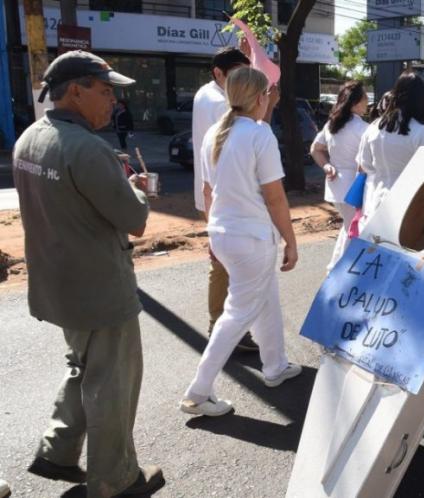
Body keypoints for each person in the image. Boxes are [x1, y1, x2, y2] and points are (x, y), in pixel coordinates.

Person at [13, 50, 163, 496]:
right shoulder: (88, 148)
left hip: (57, 285)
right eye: (105, 91)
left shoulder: (29, 140)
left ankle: (57, 451)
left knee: (83, 369)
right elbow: (133, 219)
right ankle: (114, 480)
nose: (112, 101)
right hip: (100, 290)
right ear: (74, 92)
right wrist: (137, 191)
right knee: (112, 385)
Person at [180, 67, 301, 417]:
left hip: (225, 233)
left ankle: (275, 366)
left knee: (264, 298)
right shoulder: (259, 134)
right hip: (250, 237)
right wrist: (291, 242)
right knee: (237, 313)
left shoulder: (215, 134)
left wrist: (214, 232)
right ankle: (198, 391)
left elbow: (207, 191)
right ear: (261, 97)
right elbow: (275, 197)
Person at [192, 47, 259, 351]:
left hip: (216, 193)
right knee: (225, 265)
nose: (242, 83)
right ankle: (222, 329)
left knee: (223, 262)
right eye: (237, 75)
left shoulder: (207, 93)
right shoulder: (219, 102)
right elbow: (247, 131)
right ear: (218, 74)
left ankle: (225, 327)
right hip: (224, 196)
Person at [357, 72, 424, 227]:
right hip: (408, 205)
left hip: (375, 201)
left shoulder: (373, 127)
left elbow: (364, 165)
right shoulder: (423, 131)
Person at [310, 80, 369, 271]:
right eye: (365, 97)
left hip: (337, 186)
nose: (368, 101)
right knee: (353, 230)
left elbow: (315, 149)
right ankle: (339, 270)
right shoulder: (364, 129)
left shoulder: (331, 125)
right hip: (357, 185)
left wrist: (326, 165)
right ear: (356, 102)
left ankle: (335, 268)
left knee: (348, 227)